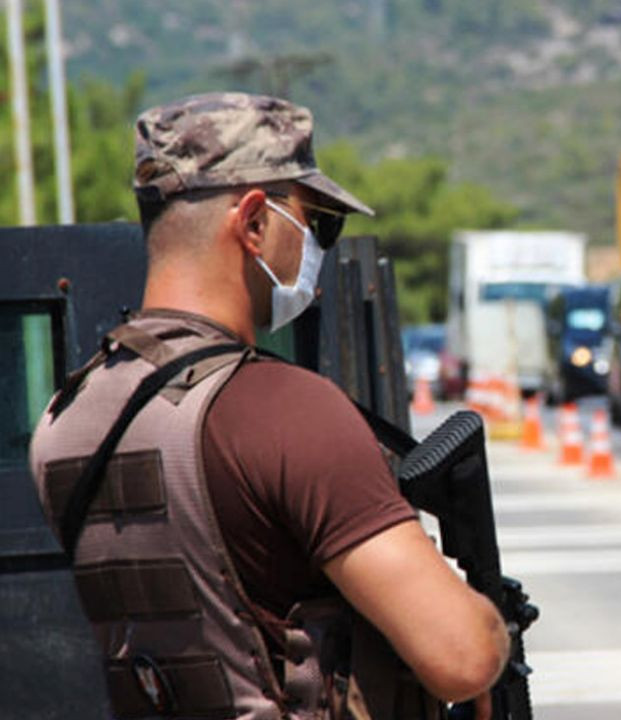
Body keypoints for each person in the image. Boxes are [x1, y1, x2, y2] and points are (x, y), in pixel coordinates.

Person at [28, 93, 509, 719]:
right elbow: (460, 656)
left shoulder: (67, 419)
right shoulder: (287, 411)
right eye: (316, 223)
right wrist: (491, 621)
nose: (318, 247)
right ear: (254, 221)